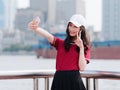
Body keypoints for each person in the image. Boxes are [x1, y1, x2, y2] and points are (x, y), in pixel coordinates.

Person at [28, 14, 90, 90]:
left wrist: (81, 47)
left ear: (81, 29)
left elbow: (82, 68)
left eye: (75, 27)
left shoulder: (84, 47)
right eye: (70, 25)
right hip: (59, 80)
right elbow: (48, 36)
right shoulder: (61, 44)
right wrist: (36, 28)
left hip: (74, 82)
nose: (71, 29)